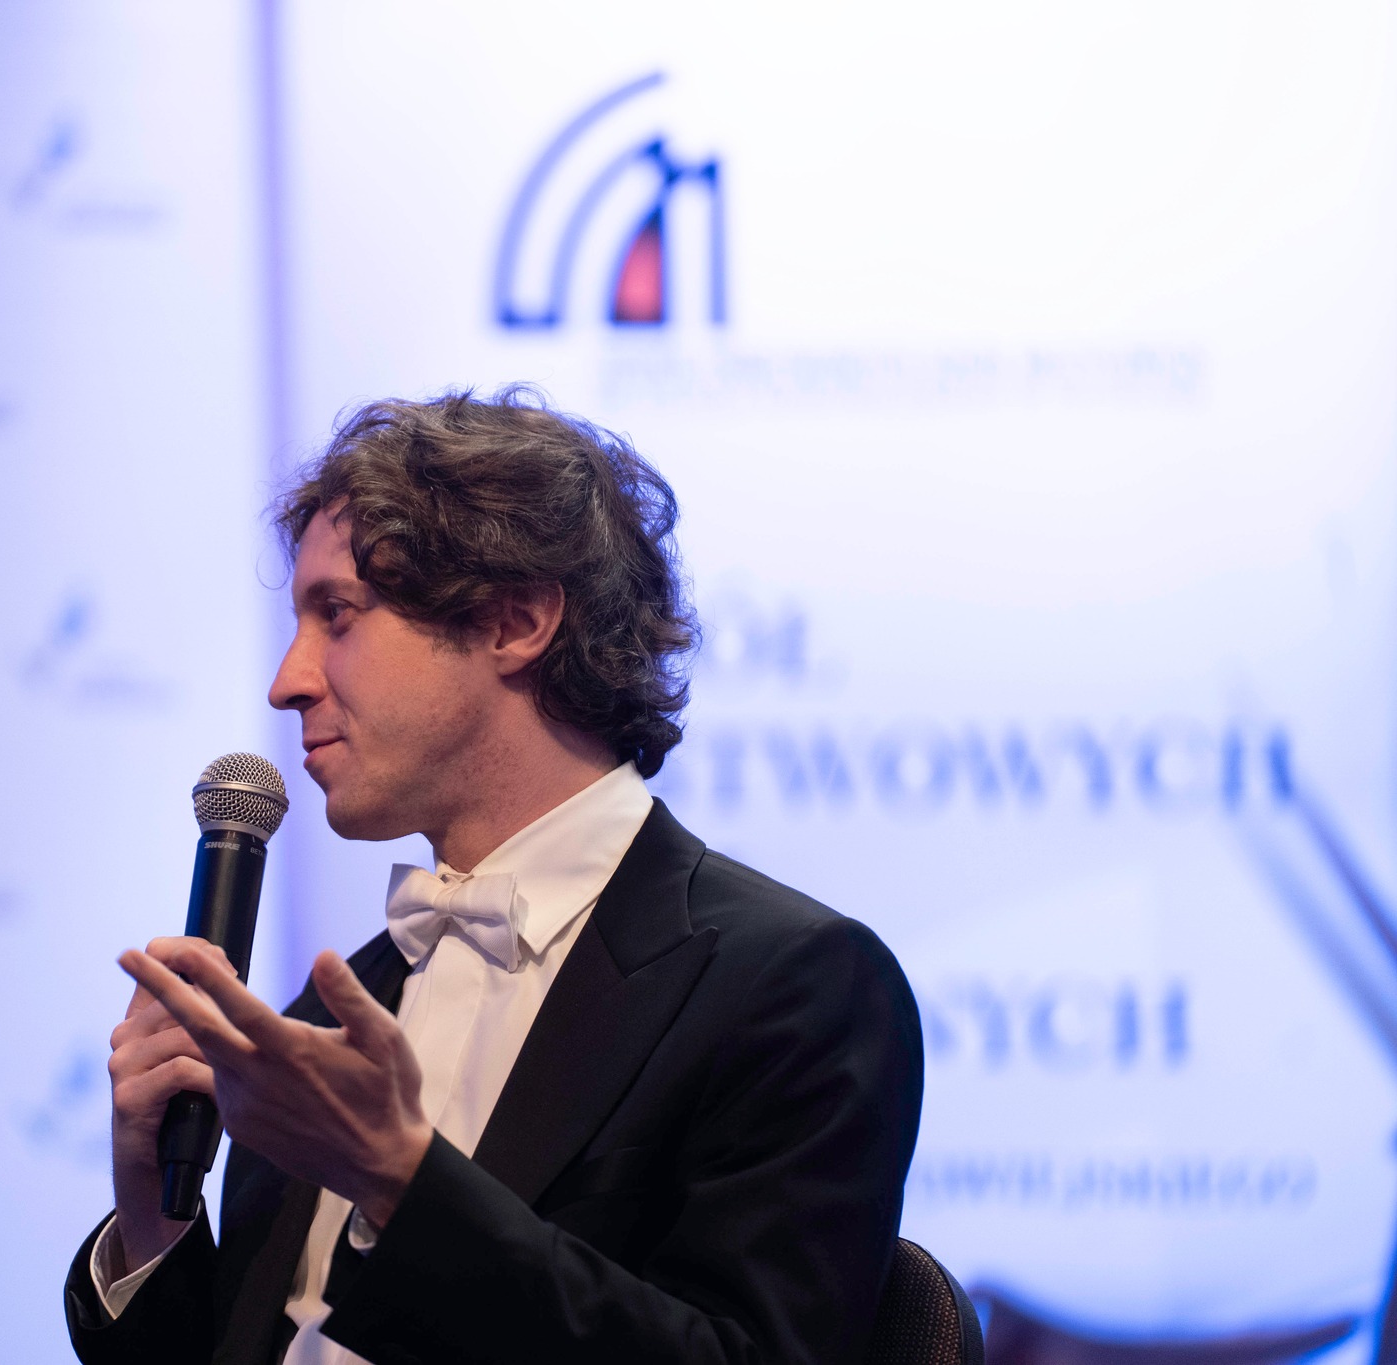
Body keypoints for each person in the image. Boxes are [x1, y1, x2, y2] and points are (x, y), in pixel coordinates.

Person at [62, 388, 923, 1365]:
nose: (287, 680)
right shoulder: (329, 1015)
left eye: (336, 614)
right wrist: (153, 1215)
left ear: (515, 621)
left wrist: (399, 1180)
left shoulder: (792, 988)